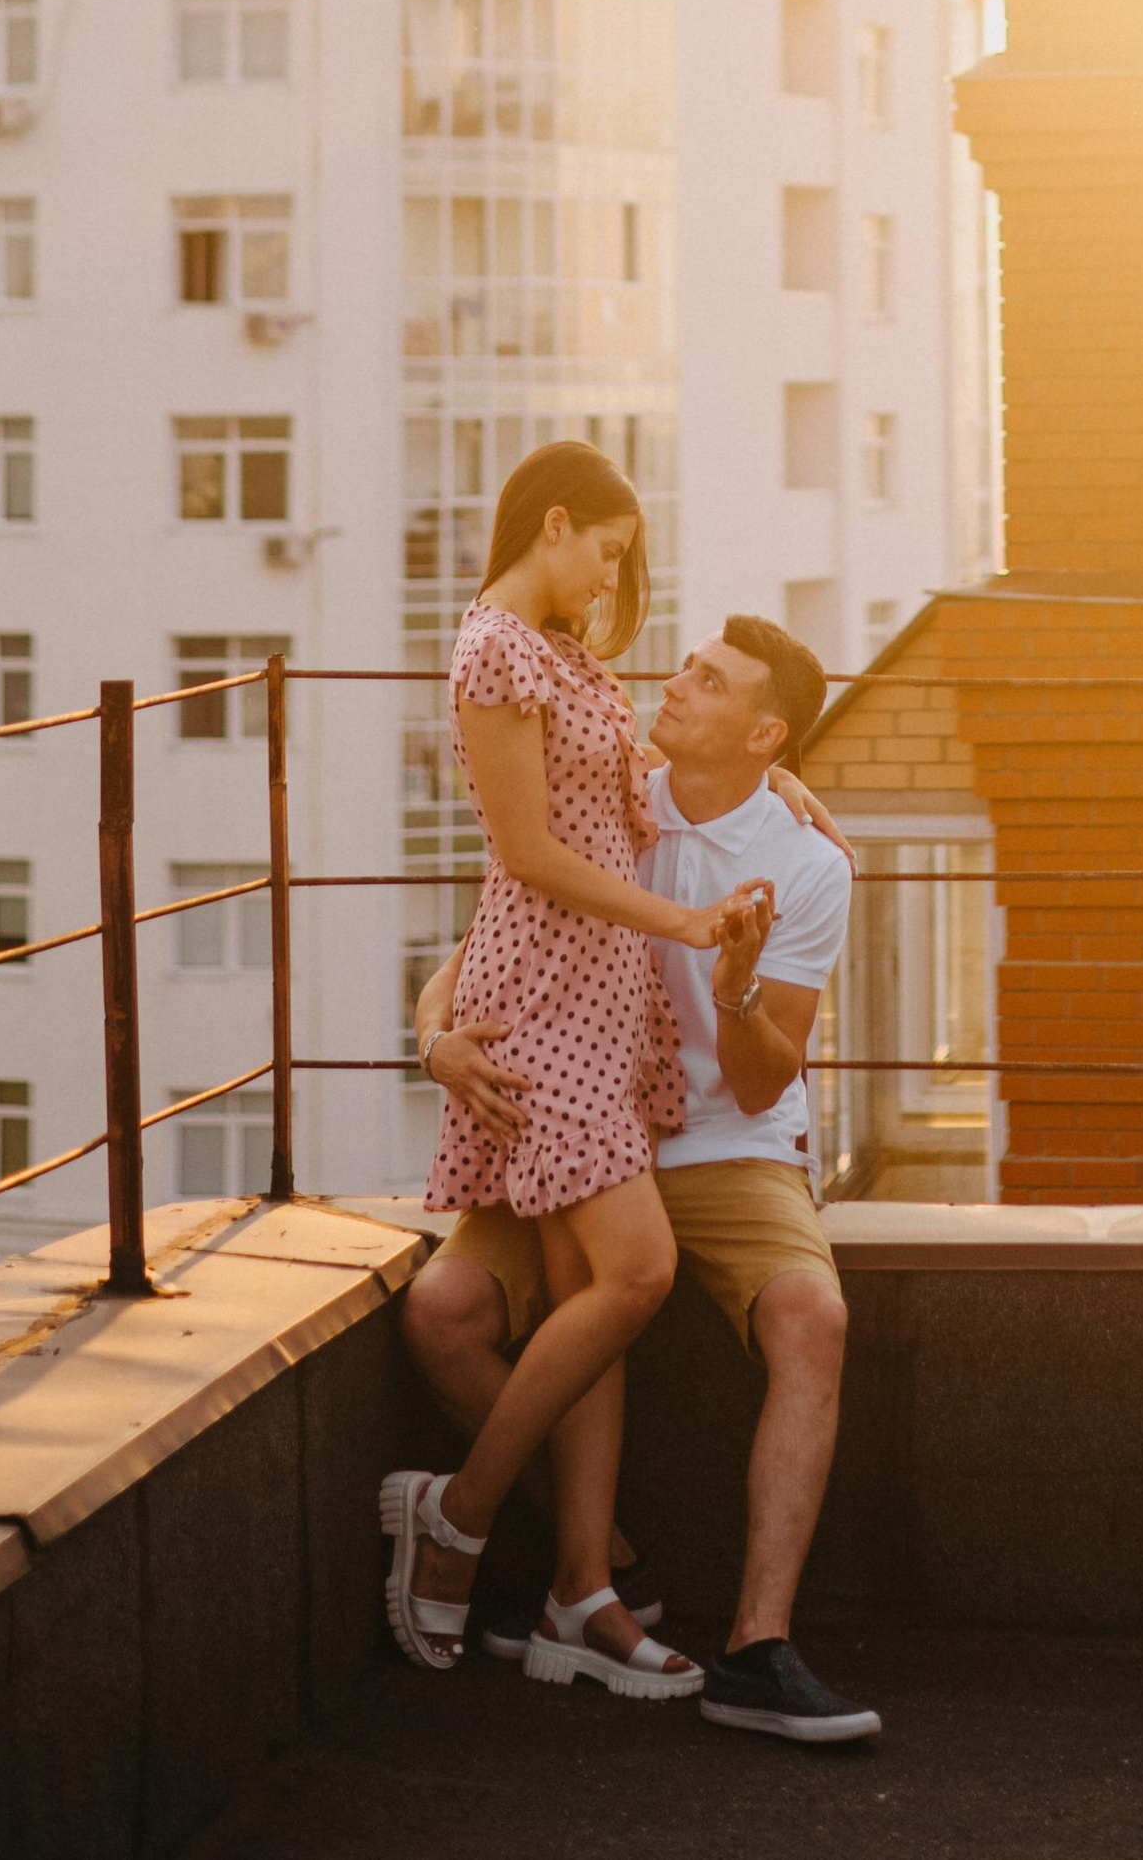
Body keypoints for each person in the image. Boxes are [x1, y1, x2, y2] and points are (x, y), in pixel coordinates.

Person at [409, 613, 883, 1746]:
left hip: (725, 1144)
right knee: (440, 1312)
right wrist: (433, 1033)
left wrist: (733, 987)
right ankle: (596, 1561)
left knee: (812, 1314)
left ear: (764, 732)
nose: (674, 682)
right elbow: (493, 939)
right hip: (584, 1128)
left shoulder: (808, 864)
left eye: (709, 681)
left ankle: (758, 1649)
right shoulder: (614, 792)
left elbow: (769, 1085)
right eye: (686, 665)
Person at [379, 443, 770, 1698]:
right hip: (542, 997)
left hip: (598, 1008)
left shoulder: (555, 651)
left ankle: (576, 1596)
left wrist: (777, 775)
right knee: (640, 1268)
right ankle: (457, 1515)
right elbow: (531, 854)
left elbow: (620, 791)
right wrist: (689, 927)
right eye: (607, 549)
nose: (613, 578)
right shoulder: (495, 647)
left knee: (577, 1301)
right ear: (557, 523)